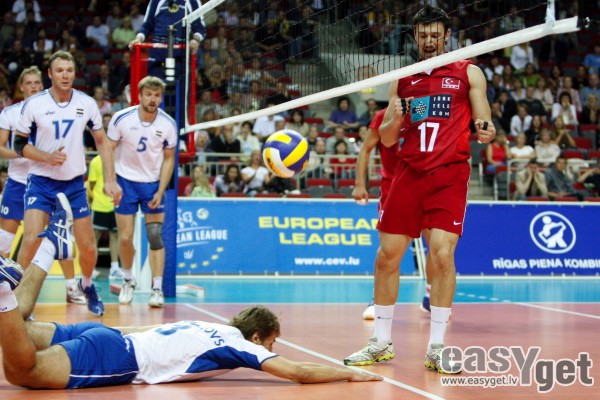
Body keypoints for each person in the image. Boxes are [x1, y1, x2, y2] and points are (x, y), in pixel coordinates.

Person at [0, 200, 381, 389]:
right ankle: (5, 290)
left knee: (18, 327)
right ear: (255, 337)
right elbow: (298, 372)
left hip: (112, 336)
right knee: (21, 371)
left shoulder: (204, 325)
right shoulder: (239, 346)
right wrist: (347, 374)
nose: (271, 349)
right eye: (271, 342)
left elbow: (155, 334)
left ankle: (49, 247)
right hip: (118, 356)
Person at [343, 5, 496, 373]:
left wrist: (485, 127)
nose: (429, 40)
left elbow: (483, 115)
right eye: (423, 35)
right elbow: (387, 139)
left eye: (435, 35)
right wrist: (394, 118)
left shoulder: (467, 71)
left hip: (448, 175)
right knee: (387, 256)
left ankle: (437, 348)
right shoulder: (403, 78)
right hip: (409, 173)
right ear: (415, 36)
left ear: (447, 36)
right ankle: (380, 342)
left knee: (442, 255)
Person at [14, 51, 122, 317]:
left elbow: (102, 142)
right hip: (41, 182)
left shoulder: (86, 103)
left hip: (73, 184)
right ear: (50, 74)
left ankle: (87, 285)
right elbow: (19, 145)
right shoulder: (34, 104)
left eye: (69, 70)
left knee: (87, 247)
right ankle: (17, 298)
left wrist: (110, 180)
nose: (65, 75)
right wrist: (47, 157)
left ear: (74, 73)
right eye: (60, 70)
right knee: (31, 240)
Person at [0, 66, 86, 305]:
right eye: (28, 83)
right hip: (18, 182)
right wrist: (28, 153)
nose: (33, 87)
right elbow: (1, 147)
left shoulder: (56, 109)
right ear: (21, 87)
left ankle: (71, 287)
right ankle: (6, 292)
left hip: (48, 181)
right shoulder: (10, 113)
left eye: (37, 83)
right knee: (5, 240)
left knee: (60, 235)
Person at [353, 108, 433, 320]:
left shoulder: (426, 109)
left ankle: (430, 296)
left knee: (438, 247)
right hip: (394, 188)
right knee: (388, 252)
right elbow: (365, 149)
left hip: (426, 186)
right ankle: (377, 299)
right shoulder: (383, 115)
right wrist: (359, 184)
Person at [107, 76, 177, 308]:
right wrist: (111, 181)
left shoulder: (167, 124)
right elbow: (108, 149)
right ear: (139, 96)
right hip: (125, 182)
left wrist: (161, 189)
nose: (152, 99)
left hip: (152, 184)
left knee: (155, 235)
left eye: (157, 95)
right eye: (148, 94)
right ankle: (128, 280)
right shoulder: (121, 118)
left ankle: (157, 289)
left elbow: (169, 159)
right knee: (125, 238)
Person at [128, 0, 207, 80]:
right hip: (157, 50)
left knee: (178, 85)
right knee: (154, 84)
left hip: (180, 51)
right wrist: (138, 38)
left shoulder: (193, 1)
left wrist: (195, 40)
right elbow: (147, 25)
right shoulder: (156, 1)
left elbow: (200, 28)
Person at [87, 154, 122, 280]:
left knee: (115, 235)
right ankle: (90, 268)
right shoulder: (95, 161)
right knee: (95, 236)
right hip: (99, 205)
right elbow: (91, 184)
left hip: (116, 203)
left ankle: (115, 268)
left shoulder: (119, 159)